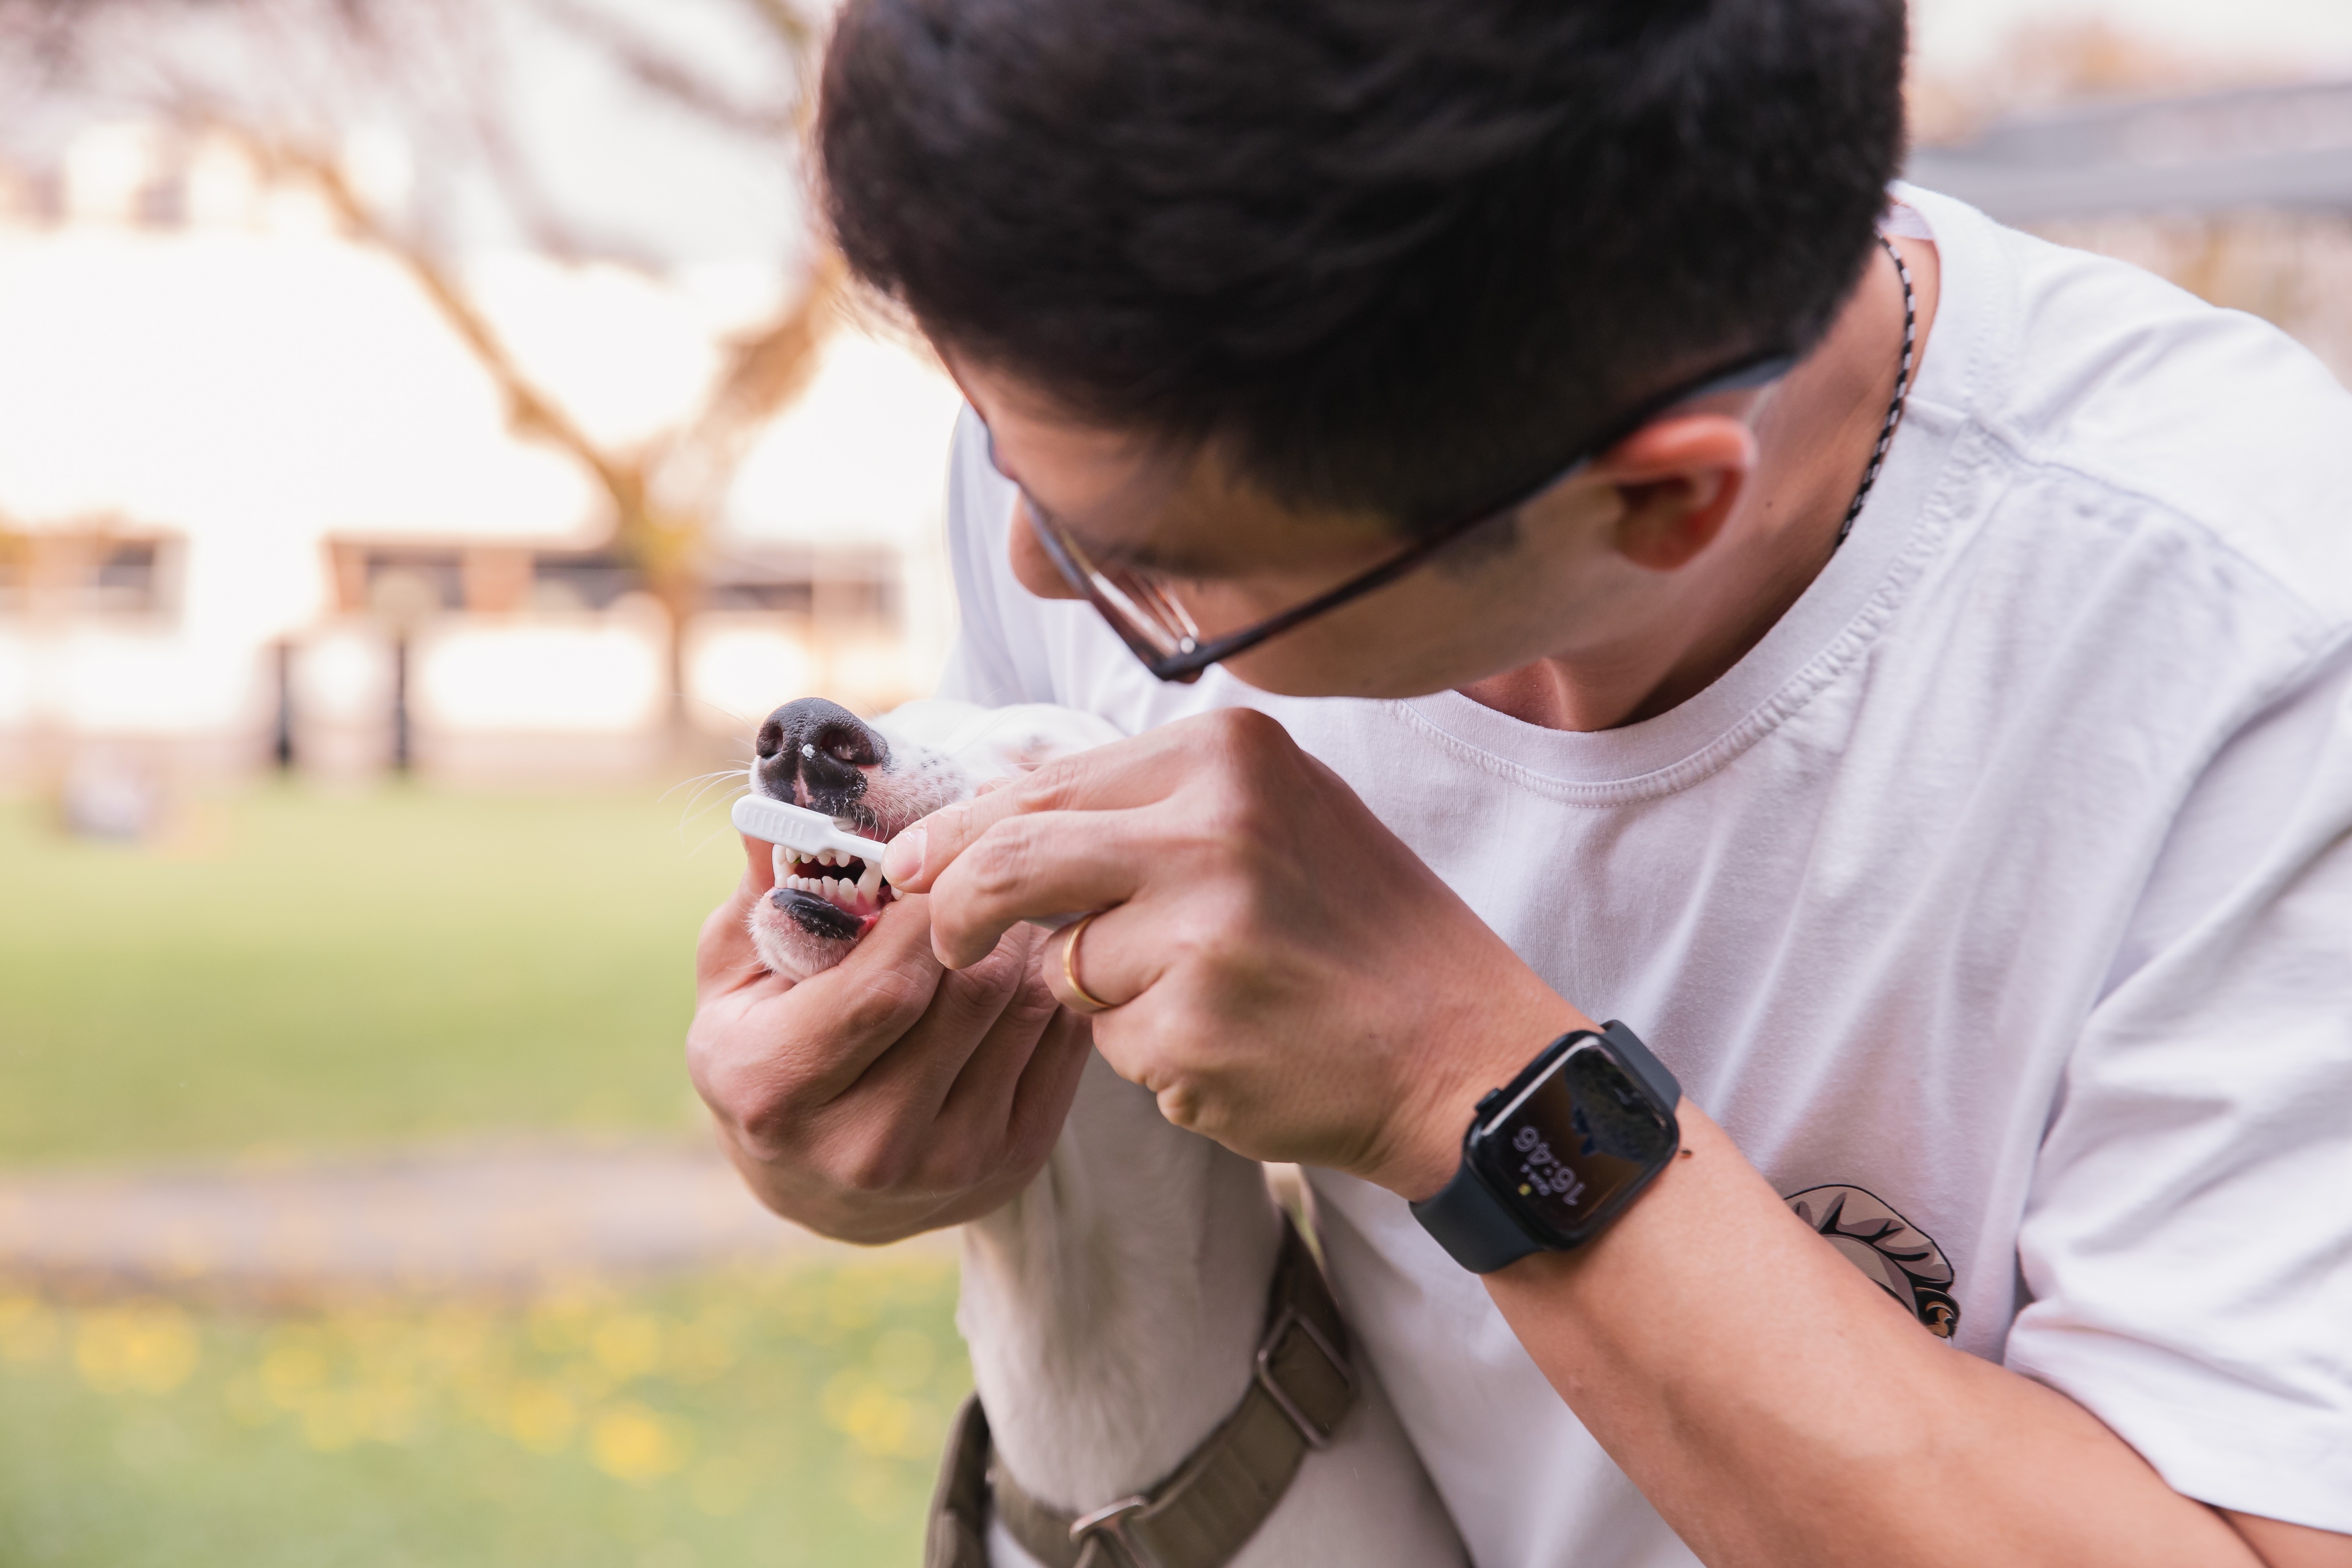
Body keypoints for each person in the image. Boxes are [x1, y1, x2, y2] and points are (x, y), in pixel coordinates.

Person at [686, 1, 2352, 1562]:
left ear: (1661, 502)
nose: (1038, 582)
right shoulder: (1143, 398)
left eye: (1157, 571)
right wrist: (871, 1135)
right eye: (995, 437)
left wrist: (1468, 1081)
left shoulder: (2249, 645)